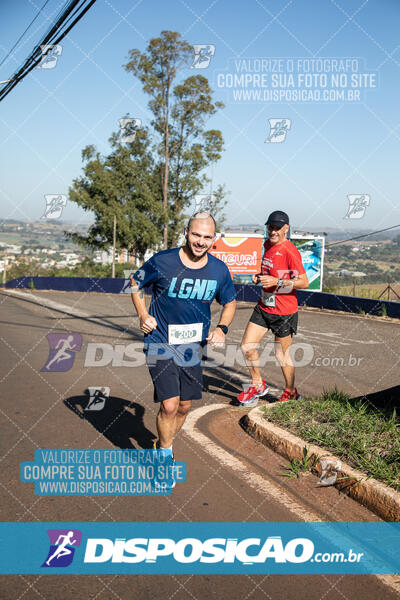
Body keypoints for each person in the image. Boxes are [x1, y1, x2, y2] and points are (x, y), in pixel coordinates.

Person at [131, 212, 237, 469]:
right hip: (160, 341)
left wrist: (222, 328)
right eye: (196, 235)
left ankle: (161, 442)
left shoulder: (219, 270)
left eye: (207, 237)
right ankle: (165, 456)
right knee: (169, 406)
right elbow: (135, 282)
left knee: (183, 406)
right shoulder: (163, 261)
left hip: (193, 347)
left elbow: (230, 302)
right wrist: (143, 314)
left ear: (214, 238)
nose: (201, 242)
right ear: (186, 233)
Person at [238, 210, 309, 407]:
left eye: (278, 228)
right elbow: (267, 271)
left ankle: (291, 391)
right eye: (271, 226)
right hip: (264, 306)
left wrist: (277, 281)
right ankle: (257, 384)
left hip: (284, 311)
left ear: (286, 229)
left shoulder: (290, 251)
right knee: (247, 346)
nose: (273, 231)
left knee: (281, 354)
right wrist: (259, 276)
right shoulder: (267, 244)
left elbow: (304, 282)